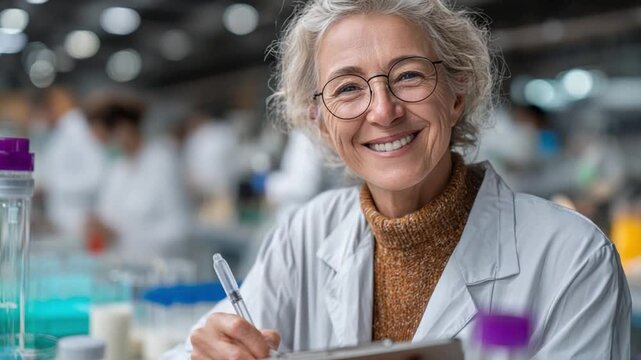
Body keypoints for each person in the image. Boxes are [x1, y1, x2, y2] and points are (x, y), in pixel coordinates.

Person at [181, 0, 630, 359]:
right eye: (348, 88)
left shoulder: (573, 259)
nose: (383, 111)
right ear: (320, 123)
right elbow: (194, 349)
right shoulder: (305, 235)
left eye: (409, 75)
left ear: (457, 93)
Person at [84, 93, 190, 259]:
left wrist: (124, 237)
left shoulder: (161, 162)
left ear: (125, 128)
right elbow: (108, 216)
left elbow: (178, 229)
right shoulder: (117, 168)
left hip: (158, 267)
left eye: (108, 137)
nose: (107, 145)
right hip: (121, 265)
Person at [37, 87, 108, 241]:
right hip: (62, 222)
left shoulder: (79, 130)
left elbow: (96, 177)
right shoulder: (62, 131)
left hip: (78, 221)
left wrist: (52, 185)